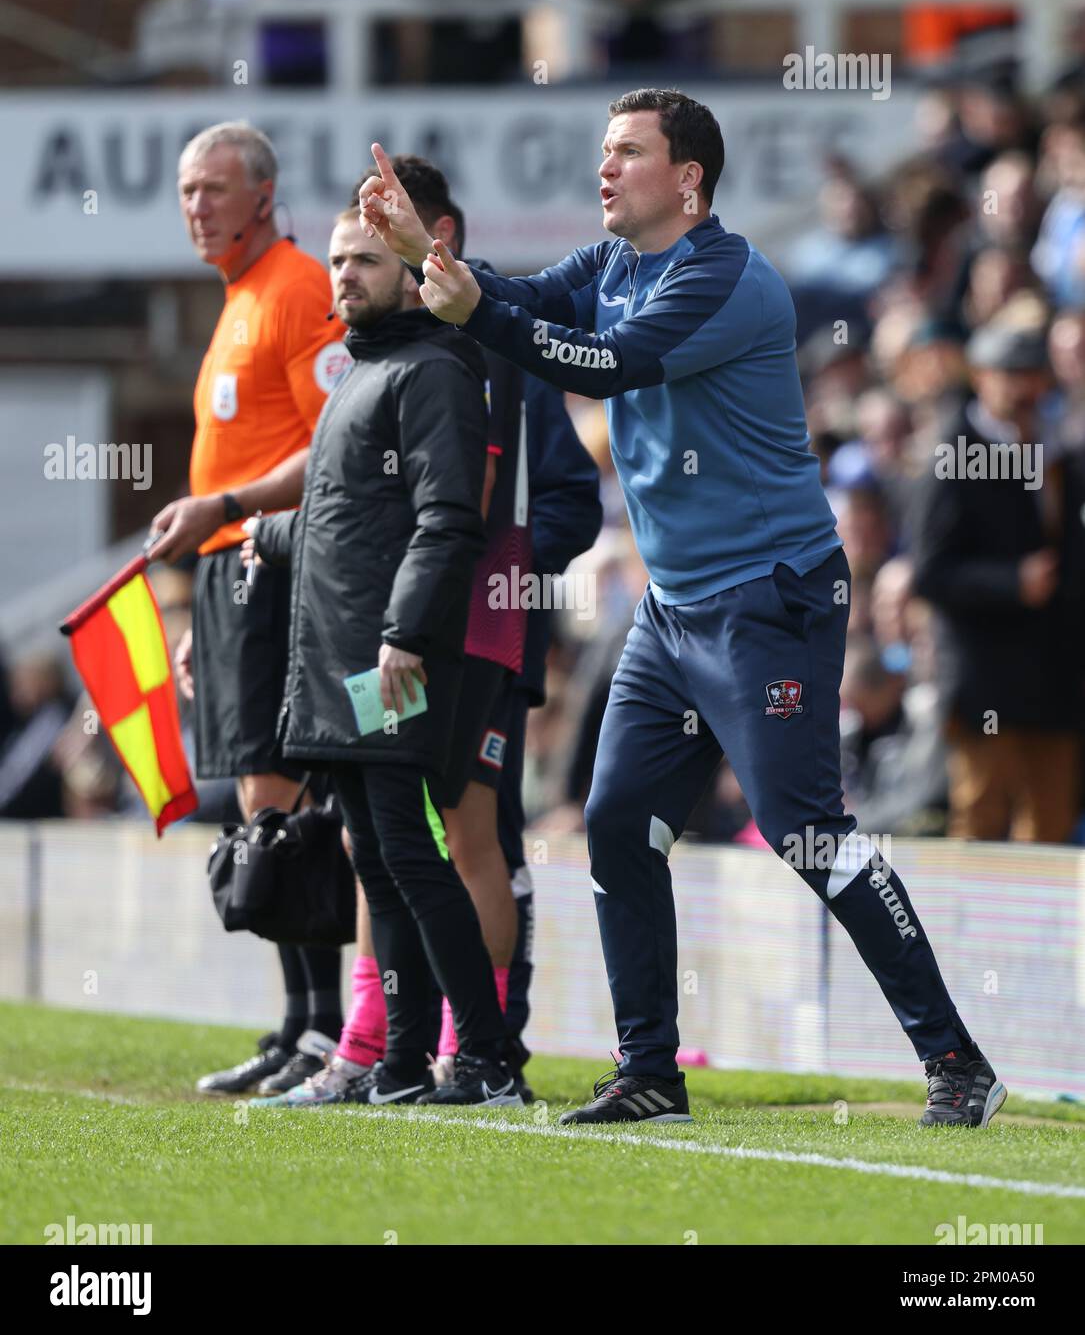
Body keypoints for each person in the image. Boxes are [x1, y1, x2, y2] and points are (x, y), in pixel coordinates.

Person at [359, 87, 1008, 1128]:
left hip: (769, 601)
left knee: (804, 832)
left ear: (687, 179)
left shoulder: (728, 278)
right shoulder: (616, 260)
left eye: (625, 152)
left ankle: (956, 1063)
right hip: (673, 611)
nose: (602, 168)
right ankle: (650, 1069)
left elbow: (605, 365)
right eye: (603, 150)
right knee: (617, 824)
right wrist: (421, 254)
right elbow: (521, 296)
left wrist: (471, 303)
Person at [247, 204, 522, 1108]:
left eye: (365, 259)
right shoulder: (364, 373)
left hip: (387, 661)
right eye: (335, 260)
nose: (344, 274)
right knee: (377, 857)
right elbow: (347, 523)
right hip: (340, 661)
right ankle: (403, 1061)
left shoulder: (436, 369)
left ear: (413, 273)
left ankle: (483, 1059)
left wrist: (404, 634)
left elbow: (449, 521)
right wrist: (267, 534)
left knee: (408, 850)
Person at [148, 121, 349, 1096]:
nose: (197, 206)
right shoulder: (236, 299)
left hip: (273, 566)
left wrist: (226, 515)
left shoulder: (299, 287)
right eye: (187, 191)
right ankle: (296, 1022)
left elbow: (333, 447)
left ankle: (323, 1028)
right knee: (253, 801)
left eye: (214, 189)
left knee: (284, 804)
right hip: (231, 578)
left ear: (263, 196)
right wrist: (199, 616)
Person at [911, 321, 1085, 841]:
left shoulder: (1062, 450)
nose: (1025, 386)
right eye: (1011, 374)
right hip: (986, 682)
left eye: (1033, 373)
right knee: (981, 824)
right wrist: (1011, 582)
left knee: (1050, 827)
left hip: (1057, 680)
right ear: (981, 376)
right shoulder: (953, 453)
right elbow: (929, 572)